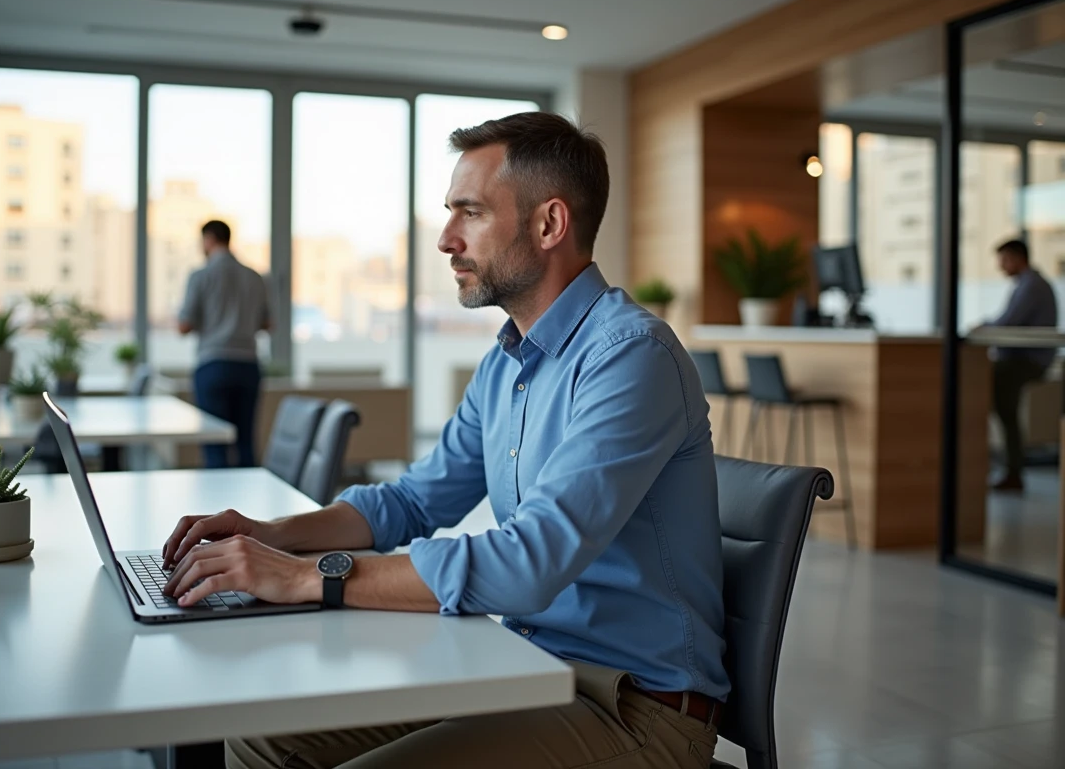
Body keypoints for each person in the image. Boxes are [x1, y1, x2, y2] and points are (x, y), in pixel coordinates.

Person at [162, 112, 729, 769]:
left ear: (548, 225)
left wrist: (305, 577)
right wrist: (270, 536)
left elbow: (527, 564)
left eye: (471, 213)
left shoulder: (631, 356)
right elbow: (411, 501)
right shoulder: (507, 363)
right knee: (257, 738)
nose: (446, 239)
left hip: (635, 710)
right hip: (521, 664)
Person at [178, 219, 271, 468]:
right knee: (246, 444)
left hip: (213, 364)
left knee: (214, 443)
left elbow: (184, 325)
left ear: (208, 239)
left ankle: (217, 505)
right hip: (248, 365)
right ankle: (250, 506)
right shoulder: (255, 277)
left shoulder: (201, 275)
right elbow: (268, 324)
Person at [986, 239, 1058, 491]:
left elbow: (1008, 322)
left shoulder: (1032, 286)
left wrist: (983, 327)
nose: (1001, 267)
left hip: (1026, 361)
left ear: (1018, 258)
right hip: (1019, 358)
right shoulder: (1027, 285)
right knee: (996, 396)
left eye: (1004, 260)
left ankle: (1012, 469)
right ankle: (1006, 466)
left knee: (1000, 402)